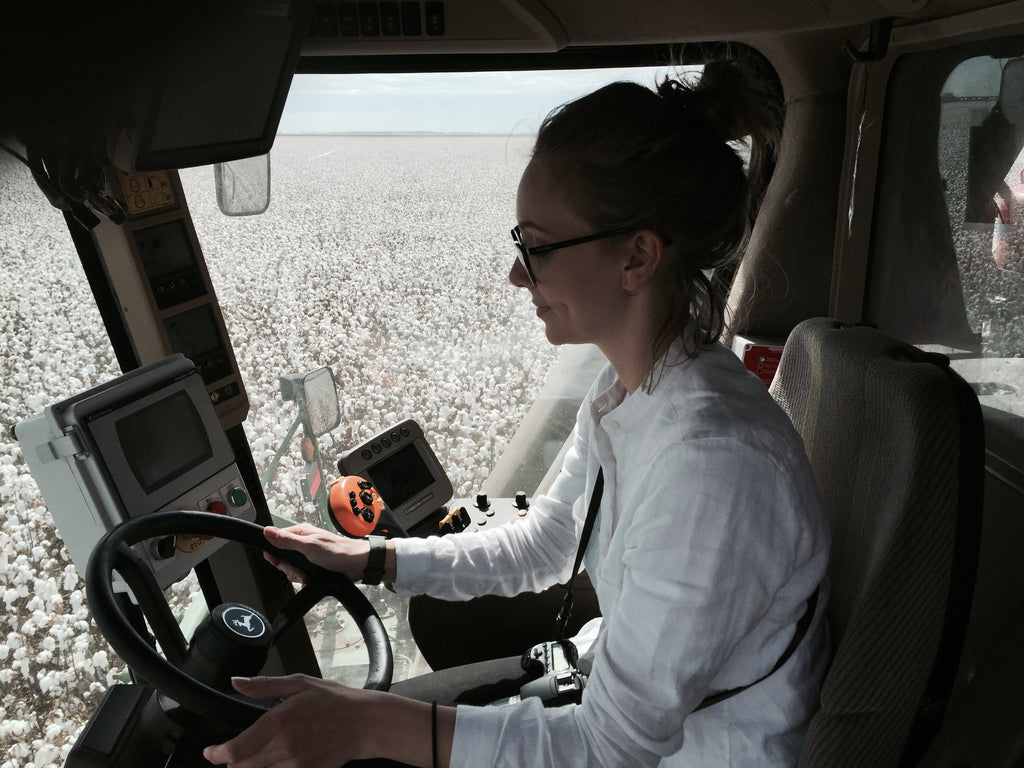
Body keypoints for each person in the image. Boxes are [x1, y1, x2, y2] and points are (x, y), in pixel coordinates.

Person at [203, 58, 830, 768]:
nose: (515, 274)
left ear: (636, 258)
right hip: (606, 692)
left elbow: (608, 749)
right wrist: (371, 559)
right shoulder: (636, 387)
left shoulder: (714, 466)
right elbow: (547, 543)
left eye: (536, 248)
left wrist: (370, 726)